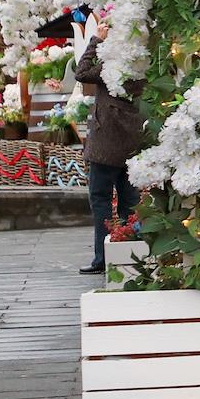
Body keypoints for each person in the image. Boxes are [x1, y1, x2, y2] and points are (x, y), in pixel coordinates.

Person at [73, 22, 146, 275]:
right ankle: (130, 256)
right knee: (130, 204)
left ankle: (102, 259)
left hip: (105, 146)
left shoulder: (109, 65)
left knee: (101, 201)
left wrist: (96, 40)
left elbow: (81, 72)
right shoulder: (142, 66)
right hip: (132, 143)